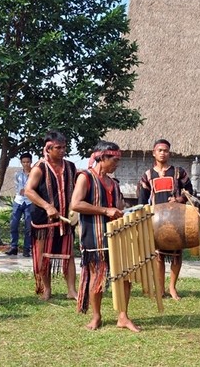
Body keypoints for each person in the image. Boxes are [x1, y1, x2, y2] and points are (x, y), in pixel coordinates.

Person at [71, 141, 141, 332]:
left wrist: (127, 212)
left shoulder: (114, 184)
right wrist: (105, 210)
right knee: (97, 276)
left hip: (117, 236)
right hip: (95, 237)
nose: (117, 163)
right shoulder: (85, 177)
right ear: (102, 158)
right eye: (114, 160)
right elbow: (75, 204)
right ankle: (96, 316)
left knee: (125, 276)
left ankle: (123, 317)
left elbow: (117, 208)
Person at [138, 139, 193, 300]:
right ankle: (160, 288)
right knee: (158, 256)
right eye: (160, 150)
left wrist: (179, 199)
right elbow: (143, 199)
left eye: (166, 150)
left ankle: (172, 288)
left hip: (176, 219)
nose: (163, 153)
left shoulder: (178, 172)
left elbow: (189, 191)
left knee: (176, 255)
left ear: (170, 153)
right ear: (154, 153)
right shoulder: (148, 175)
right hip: (157, 220)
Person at [25, 131, 78, 301]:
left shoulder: (70, 166)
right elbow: (28, 190)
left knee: (68, 254)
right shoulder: (39, 168)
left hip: (65, 218)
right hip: (43, 220)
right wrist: (47, 206)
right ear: (48, 149)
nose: (62, 150)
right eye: (58, 148)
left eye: (64, 147)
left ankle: (71, 290)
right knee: (43, 255)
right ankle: (46, 289)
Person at [5, 152, 33, 257]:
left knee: (28, 226)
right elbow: (18, 189)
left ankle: (27, 248)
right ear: (21, 163)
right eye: (24, 162)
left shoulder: (34, 173)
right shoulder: (17, 174)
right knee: (14, 224)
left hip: (30, 201)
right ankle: (14, 247)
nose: (26, 164)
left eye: (28, 162)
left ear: (31, 162)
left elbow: (33, 188)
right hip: (18, 200)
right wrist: (24, 190)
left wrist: (26, 191)